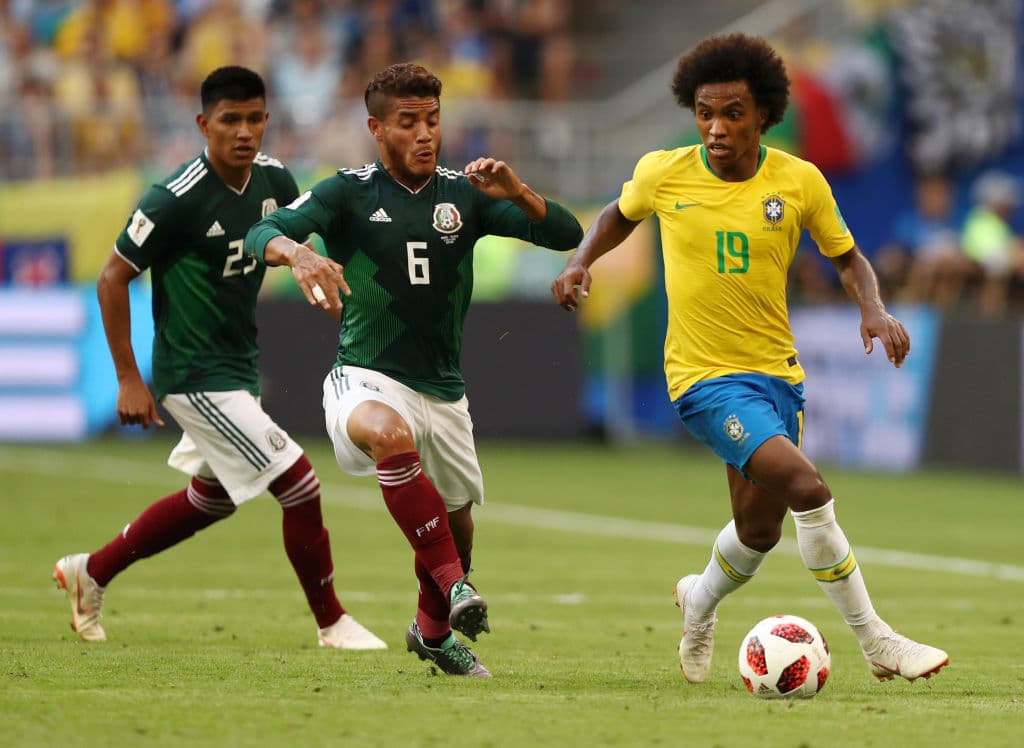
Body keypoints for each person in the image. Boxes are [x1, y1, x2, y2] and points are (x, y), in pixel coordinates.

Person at [550, 33, 949, 685]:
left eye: (732, 112)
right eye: (705, 113)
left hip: (777, 379)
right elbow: (616, 216)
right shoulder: (665, 172)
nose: (715, 127)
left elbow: (847, 257)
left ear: (763, 114)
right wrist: (578, 262)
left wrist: (872, 308)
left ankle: (698, 603)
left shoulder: (798, 181)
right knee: (808, 489)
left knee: (757, 532)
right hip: (704, 381)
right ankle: (877, 641)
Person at [242, 62, 583, 677]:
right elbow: (260, 231)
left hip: (444, 392)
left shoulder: (466, 194)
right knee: (390, 439)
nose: (426, 134)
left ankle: (430, 632)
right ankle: (457, 591)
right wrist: (298, 255)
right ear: (377, 128)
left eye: (433, 120)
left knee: (459, 528)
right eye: (409, 123)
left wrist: (520, 192)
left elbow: (566, 233)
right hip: (364, 375)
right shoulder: (345, 191)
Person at [52, 66, 386, 652]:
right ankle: (333, 623)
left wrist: (334, 297)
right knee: (300, 483)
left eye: (255, 118)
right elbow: (111, 279)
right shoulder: (173, 198)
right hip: (192, 373)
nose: (245, 131)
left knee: (213, 499)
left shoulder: (277, 181)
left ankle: (91, 571)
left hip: (236, 365)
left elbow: (300, 250)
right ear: (204, 124)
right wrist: (130, 378)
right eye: (230, 120)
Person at [961, 170, 1024, 317]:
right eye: (1005, 204)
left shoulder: (998, 223)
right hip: (984, 267)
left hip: (997, 265)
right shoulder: (981, 220)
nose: (1009, 209)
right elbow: (989, 254)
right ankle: (989, 313)